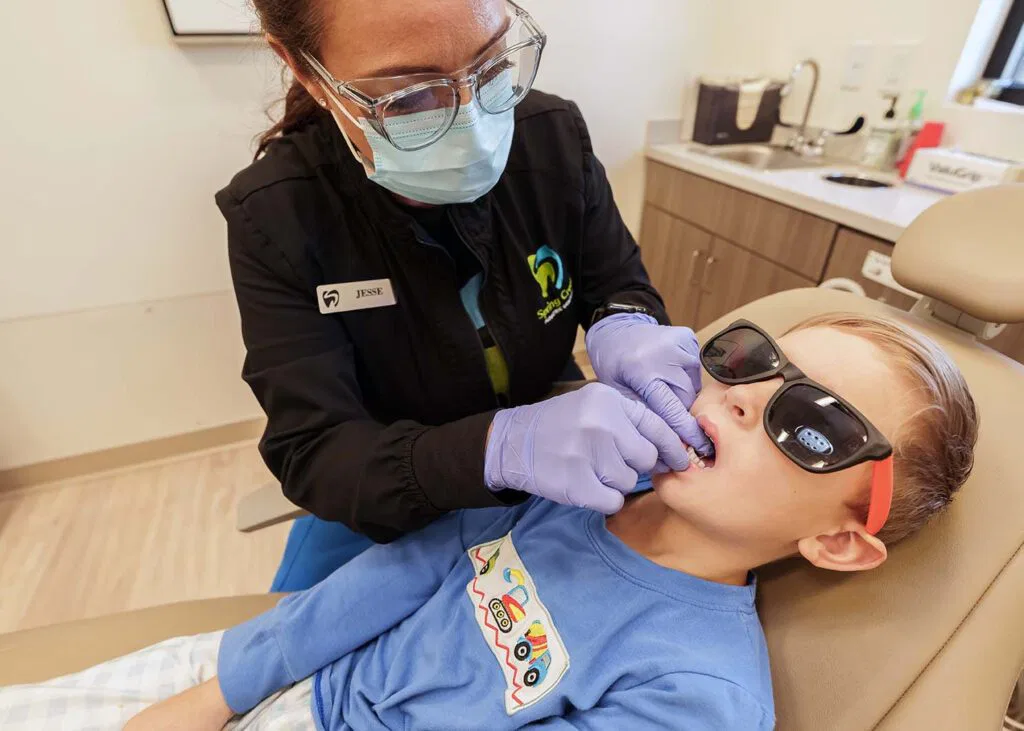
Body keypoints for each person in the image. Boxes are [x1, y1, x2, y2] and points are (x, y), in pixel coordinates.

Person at [0, 313, 979, 730]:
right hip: (287, 667)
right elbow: (394, 575)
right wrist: (219, 689)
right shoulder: (578, 489)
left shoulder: (693, 692)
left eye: (808, 420)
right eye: (746, 357)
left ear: (840, 538)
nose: (739, 396)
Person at [224, 0, 713, 591]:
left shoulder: (551, 136)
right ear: (304, 69)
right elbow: (318, 451)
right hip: (395, 500)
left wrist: (627, 324)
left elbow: (615, 284)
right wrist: (497, 448)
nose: (472, 119)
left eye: (490, 67)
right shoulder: (276, 213)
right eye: (408, 97)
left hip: (556, 489)